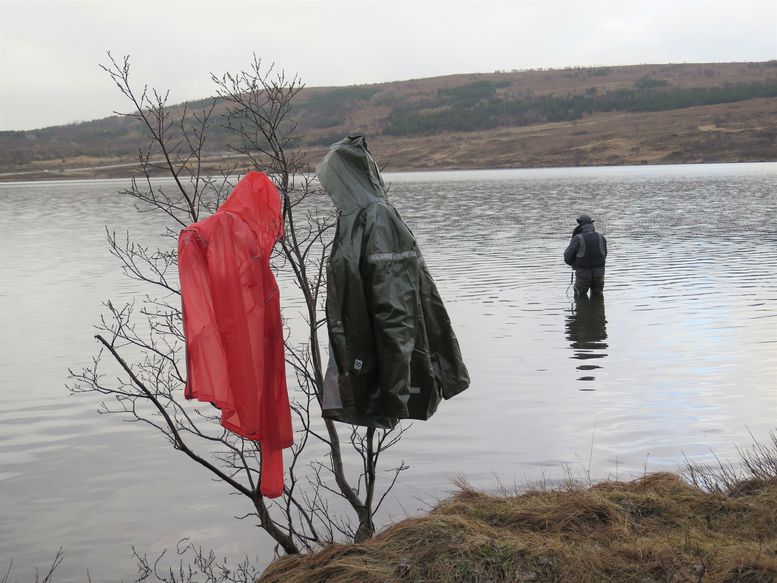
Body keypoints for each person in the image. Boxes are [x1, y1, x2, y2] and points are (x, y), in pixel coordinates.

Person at [564, 214, 607, 297]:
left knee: (580, 298)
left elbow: (567, 257)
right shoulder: (601, 237)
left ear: (580, 225)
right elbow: (604, 255)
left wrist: (575, 264)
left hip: (583, 274)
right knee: (598, 298)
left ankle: (583, 309)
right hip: (599, 274)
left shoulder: (577, 238)